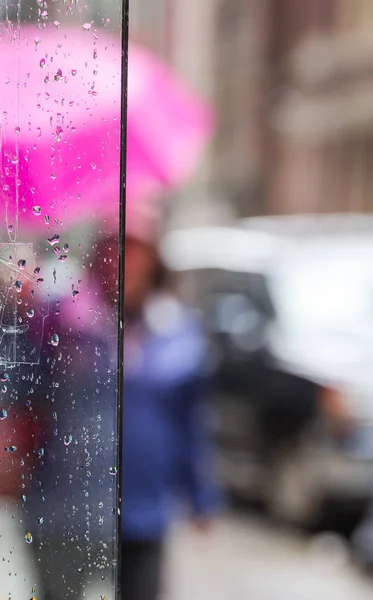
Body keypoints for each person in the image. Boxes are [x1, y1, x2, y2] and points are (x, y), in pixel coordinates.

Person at [104, 198, 221, 600]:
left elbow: (190, 419)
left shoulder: (175, 329)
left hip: (146, 507)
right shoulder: (72, 321)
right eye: (117, 249)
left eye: (136, 250)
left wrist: (201, 496)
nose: (125, 262)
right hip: (79, 507)